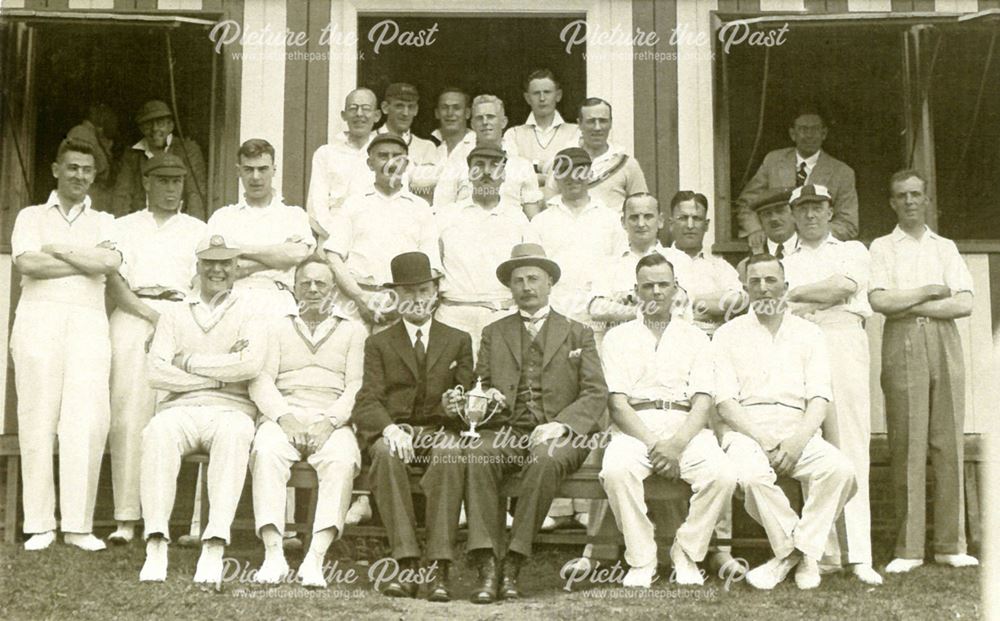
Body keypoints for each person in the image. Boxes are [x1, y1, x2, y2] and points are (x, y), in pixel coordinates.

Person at [465, 243, 607, 603]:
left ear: (549, 283)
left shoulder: (578, 333)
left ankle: (515, 558)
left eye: (534, 279)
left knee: (544, 459)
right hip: (508, 431)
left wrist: (560, 425)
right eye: (518, 280)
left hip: (560, 434)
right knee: (478, 454)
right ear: (510, 288)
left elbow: (595, 392)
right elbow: (479, 386)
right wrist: (488, 401)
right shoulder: (494, 333)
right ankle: (487, 562)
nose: (526, 286)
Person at [713, 253, 856, 590]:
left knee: (840, 471)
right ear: (746, 288)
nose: (763, 289)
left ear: (785, 286)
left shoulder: (810, 333)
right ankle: (804, 554)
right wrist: (763, 440)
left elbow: (819, 398)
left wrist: (796, 442)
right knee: (751, 476)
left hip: (798, 428)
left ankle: (789, 555)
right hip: (747, 429)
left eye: (771, 281)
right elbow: (725, 402)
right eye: (755, 282)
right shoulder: (727, 334)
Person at [599, 253, 738, 588]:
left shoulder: (695, 337)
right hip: (636, 427)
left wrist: (675, 444)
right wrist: (654, 445)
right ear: (636, 291)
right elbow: (617, 404)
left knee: (722, 474)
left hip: (686, 427)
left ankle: (686, 552)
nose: (656, 292)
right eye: (648, 286)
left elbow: (703, 400)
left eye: (664, 284)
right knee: (616, 470)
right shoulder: (617, 338)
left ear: (677, 289)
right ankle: (642, 558)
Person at [10, 138, 121, 552]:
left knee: (87, 420)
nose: (79, 176)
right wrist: (82, 259)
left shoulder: (107, 221)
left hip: (89, 322)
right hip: (39, 318)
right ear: (56, 169)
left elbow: (109, 264)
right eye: (72, 167)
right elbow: (27, 263)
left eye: (87, 170)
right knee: (38, 416)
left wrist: (57, 249)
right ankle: (40, 524)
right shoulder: (31, 216)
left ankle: (78, 525)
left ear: (94, 175)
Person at [138, 234, 268, 583]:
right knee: (156, 432)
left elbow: (250, 365)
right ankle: (156, 541)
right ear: (198, 266)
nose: (217, 270)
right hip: (180, 408)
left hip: (232, 409)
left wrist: (189, 361)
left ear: (236, 267)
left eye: (225, 263)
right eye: (210, 262)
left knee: (237, 433)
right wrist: (215, 376)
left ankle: (214, 543)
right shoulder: (175, 311)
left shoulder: (252, 309)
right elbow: (155, 371)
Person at [868, 169, 979, 573]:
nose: (910, 201)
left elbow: (964, 304)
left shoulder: (944, 247)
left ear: (927, 199)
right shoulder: (882, 247)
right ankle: (909, 549)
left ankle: (951, 544)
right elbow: (880, 300)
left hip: (945, 341)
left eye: (916, 194)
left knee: (947, 439)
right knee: (908, 442)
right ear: (892, 202)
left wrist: (910, 303)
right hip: (902, 342)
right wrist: (930, 291)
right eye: (902, 195)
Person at [352, 252, 474, 601]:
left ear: (435, 292)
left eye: (423, 290)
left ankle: (438, 565)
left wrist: (456, 406)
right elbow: (368, 399)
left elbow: (466, 399)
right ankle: (405, 562)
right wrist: (390, 429)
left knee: (451, 453)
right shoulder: (378, 343)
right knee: (386, 455)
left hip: (440, 431)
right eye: (408, 293)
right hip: (397, 429)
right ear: (396, 298)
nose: (417, 300)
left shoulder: (458, 340)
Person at [782, 183, 882, 585]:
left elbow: (843, 287)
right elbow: (778, 300)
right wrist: (810, 298)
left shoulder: (851, 251)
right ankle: (822, 553)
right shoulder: (784, 258)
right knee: (810, 444)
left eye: (817, 207)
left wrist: (797, 294)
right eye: (802, 208)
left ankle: (859, 554)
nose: (810, 215)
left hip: (842, 338)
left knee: (852, 444)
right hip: (801, 341)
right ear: (793, 214)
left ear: (829, 211)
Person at [105, 153, 205, 545]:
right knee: (129, 415)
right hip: (133, 317)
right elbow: (115, 283)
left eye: (176, 182)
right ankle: (126, 519)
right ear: (146, 182)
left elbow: (203, 281)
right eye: (162, 181)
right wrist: (151, 316)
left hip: (179, 318)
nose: (169, 189)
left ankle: (160, 519)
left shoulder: (198, 228)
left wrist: (174, 322)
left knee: (171, 417)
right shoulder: (123, 226)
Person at [248, 259, 368, 587]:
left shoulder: (354, 329)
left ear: (334, 290)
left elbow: (357, 385)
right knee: (267, 452)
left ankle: (315, 557)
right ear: (294, 287)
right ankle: (274, 554)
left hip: (331, 419)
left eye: (321, 284)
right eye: (306, 284)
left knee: (342, 460)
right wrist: (284, 419)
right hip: (283, 414)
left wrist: (329, 422)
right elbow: (261, 380)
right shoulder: (275, 326)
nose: (313, 290)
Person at [323, 133, 439, 326]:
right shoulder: (354, 203)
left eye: (397, 156)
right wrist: (359, 297)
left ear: (406, 163)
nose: (390, 163)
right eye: (383, 156)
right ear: (370, 163)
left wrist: (402, 303)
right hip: (355, 303)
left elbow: (431, 266)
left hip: (403, 306)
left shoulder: (420, 208)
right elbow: (334, 256)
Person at [436, 143, 529, 356]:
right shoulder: (446, 216)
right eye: (479, 165)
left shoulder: (518, 218)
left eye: (494, 166)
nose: (486, 172)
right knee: (451, 384)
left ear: (504, 175)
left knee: (499, 383)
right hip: (454, 314)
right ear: (469, 174)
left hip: (502, 313)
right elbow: (434, 265)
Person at [207, 138, 315, 318]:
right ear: (238, 171)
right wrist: (279, 255)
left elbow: (297, 254)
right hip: (232, 300)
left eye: (262, 169)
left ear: (274, 170)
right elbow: (216, 270)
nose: (256, 177)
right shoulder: (223, 217)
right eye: (249, 169)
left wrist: (238, 249)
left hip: (278, 300)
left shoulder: (294, 215)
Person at [736, 106, 857, 247]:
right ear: (793, 134)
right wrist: (755, 229)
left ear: (824, 134)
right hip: (776, 247)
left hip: (817, 250)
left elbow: (848, 224)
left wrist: (808, 232)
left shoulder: (842, 173)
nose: (809, 135)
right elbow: (746, 203)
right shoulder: (773, 161)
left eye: (815, 129)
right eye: (803, 129)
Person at [527, 147, 624, 325]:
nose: (573, 177)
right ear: (556, 177)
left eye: (579, 170)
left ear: (590, 174)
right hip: (554, 317)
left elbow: (620, 267)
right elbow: (533, 273)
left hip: (599, 319)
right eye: (565, 171)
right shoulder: (540, 222)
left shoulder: (611, 219)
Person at [433, 95, 543, 218]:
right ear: (473, 124)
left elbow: (533, 217)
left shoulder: (522, 165)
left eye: (491, 117)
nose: (485, 122)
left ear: (503, 122)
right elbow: (441, 207)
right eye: (479, 118)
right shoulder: (457, 161)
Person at [660, 191, 743, 336]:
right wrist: (712, 304)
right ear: (671, 223)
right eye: (683, 218)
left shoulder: (720, 266)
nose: (690, 225)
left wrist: (688, 302)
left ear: (706, 225)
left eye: (697, 218)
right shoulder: (659, 260)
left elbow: (737, 301)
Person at [544, 98, 647, 213]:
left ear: (610, 123)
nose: (597, 127)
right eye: (591, 121)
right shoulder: (564, 160)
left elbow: (642, 207)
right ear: (580, 124)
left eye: (603, 121)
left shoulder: (627, 163)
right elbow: (549, 204)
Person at [113, 100, 207, 221]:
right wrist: (120, 230)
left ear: (170, 126)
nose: (154, 129)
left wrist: (194, 231)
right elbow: (122, 195)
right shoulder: (132, 155)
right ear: (141, 128)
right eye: (148, 125)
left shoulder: (187, 150)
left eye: (160, 123)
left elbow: (195, 194)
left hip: (177, 224)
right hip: (142, 225)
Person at [307, 88, 380, 238]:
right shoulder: (326, 154)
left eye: (366, 109)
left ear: (377, 115)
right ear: (344, 115)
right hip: (331, 236)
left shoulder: (385, 154)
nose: (359, 114)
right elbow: (316, 207)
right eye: (353, 108)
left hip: (374, 237)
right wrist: (338, 238)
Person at [502, 69, 580, 187]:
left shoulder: (575, 131)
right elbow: (513, 172)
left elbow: (570, 170)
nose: (542, 98)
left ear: (558, 95)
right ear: (527, 98)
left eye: (547, 92)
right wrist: (551, 172)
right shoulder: (513, 134)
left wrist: (532, 168)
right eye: (536, 93)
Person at [377, 82, 439, 202]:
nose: (405, 113)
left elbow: (427, 189)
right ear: (385, 107)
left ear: (416, 110)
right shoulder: (370, 141)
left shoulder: (427, 147)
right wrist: (413, 173)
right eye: (399, 106)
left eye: (410, 107)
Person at [429, 87, 477, 212]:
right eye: (444, 108)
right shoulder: (431, 150)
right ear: (437, 113)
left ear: (467, 113)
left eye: (456, 108)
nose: (450, 113)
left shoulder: (477, 147)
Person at [67, 103, 119, 213]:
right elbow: (100, 168)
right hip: (83, 203)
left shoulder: (95, 135)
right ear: (94, 111)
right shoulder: (81, 133)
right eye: (106, 112)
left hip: (95, 204)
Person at [736, 189, 796, 281]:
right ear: (760, 220)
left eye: (780, 211)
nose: (774, 218)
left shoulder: (813, 250)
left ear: (794, 215)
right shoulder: (746, 265)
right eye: (767, 214)